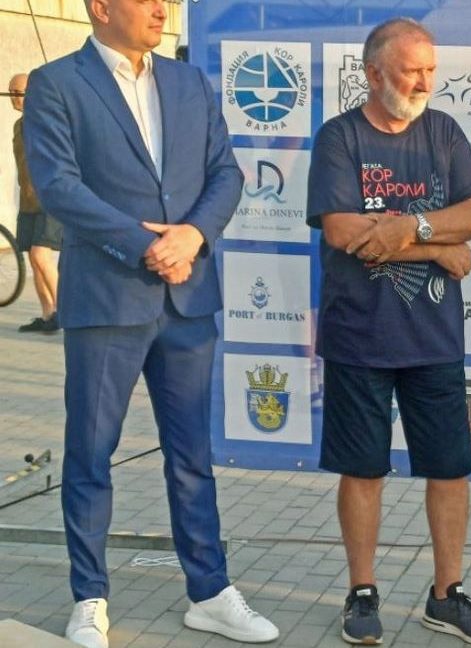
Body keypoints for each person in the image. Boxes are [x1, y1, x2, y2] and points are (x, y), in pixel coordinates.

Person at [23, 1, 278, 647]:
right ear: (101, 7)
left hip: (188, 300)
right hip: (107, 301)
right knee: (91, 454)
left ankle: (210, 593)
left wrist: (192, 234)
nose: (161, 8)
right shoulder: (58, 83)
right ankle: (89, 599)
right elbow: (58, 186)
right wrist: (146, 246)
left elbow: (225, 172)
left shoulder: (188, 81)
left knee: (192, 457)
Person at [307, 17, 471, 647]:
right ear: (373, 73)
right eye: (411, 70)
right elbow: (344, 232)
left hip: (433, 340)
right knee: (363, 470)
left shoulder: (443, 131)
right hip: (358, 336)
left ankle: (447, 596)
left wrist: (408, 229)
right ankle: (362, 592)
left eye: (430, 71)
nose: (424, 82)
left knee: (449, 469)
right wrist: (439, 248)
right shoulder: (339, 137)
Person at [10, 72, 62, 333]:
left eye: (19, 92)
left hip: (48, 201)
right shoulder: (18, 126)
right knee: (33, 259)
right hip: (28, 202)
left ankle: (66, 312)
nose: (14, 97)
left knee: (41, 255)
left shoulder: (45, 121)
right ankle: (48, 314)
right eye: (11, 92)